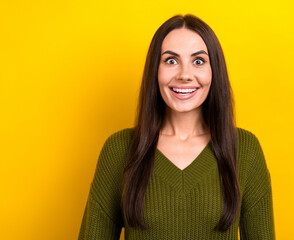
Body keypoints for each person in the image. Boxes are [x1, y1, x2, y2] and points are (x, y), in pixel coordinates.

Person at [78, 14, 275, 240]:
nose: (184, 75)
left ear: (214, 71)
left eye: (198, 61)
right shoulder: (119, 150)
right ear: (155, 70)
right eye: (171, 61)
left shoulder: (245, 150)